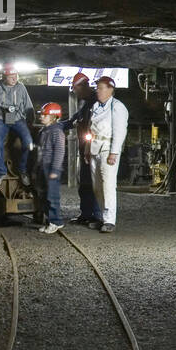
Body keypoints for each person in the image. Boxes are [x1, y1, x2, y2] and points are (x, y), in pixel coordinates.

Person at [0, 63, 34, 188]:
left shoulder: (21, 87)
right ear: (4, 77)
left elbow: (28, 105)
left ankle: (22, 170)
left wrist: (31, 121)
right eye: (11, 76)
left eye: (15, 76)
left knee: (29, 143)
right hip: (1, 119)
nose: (14, 79)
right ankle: (1, 172)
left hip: (17, 119)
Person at [88, 75, 128, 233]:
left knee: (108, 185)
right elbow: (90, 129)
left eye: (100, 88)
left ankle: (110, 220)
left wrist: (114, 152)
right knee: (97, 186)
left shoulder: (117, 107)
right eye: (97, 87)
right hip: (94, 148)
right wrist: (87, 150)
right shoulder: (96, 106)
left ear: (110, 89)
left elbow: (120, 131)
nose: (97, 90)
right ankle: (102, 218)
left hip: (107, 149)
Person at [59, 72, 100, 225]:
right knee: (84, 183)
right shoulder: (85, 104)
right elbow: (74, 119)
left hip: (95, 149)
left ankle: (97, 216)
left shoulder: (97, 102)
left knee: (94, 183)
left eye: (75, 89)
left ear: (83, 86)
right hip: (84, 149)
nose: (74, 92)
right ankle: (86, 214)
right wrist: (57, 126)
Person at [35, 102, 66, 234]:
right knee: (44, 195)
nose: (41, 117)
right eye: (41, 114)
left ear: (53, 117)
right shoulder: (44, 131)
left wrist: (55, 170)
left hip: (51, 168)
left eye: (45, 115)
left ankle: (56, 222)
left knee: (52, 196)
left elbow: (59, 151)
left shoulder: (56, 132)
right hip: (43, 166)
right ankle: (49, 221)